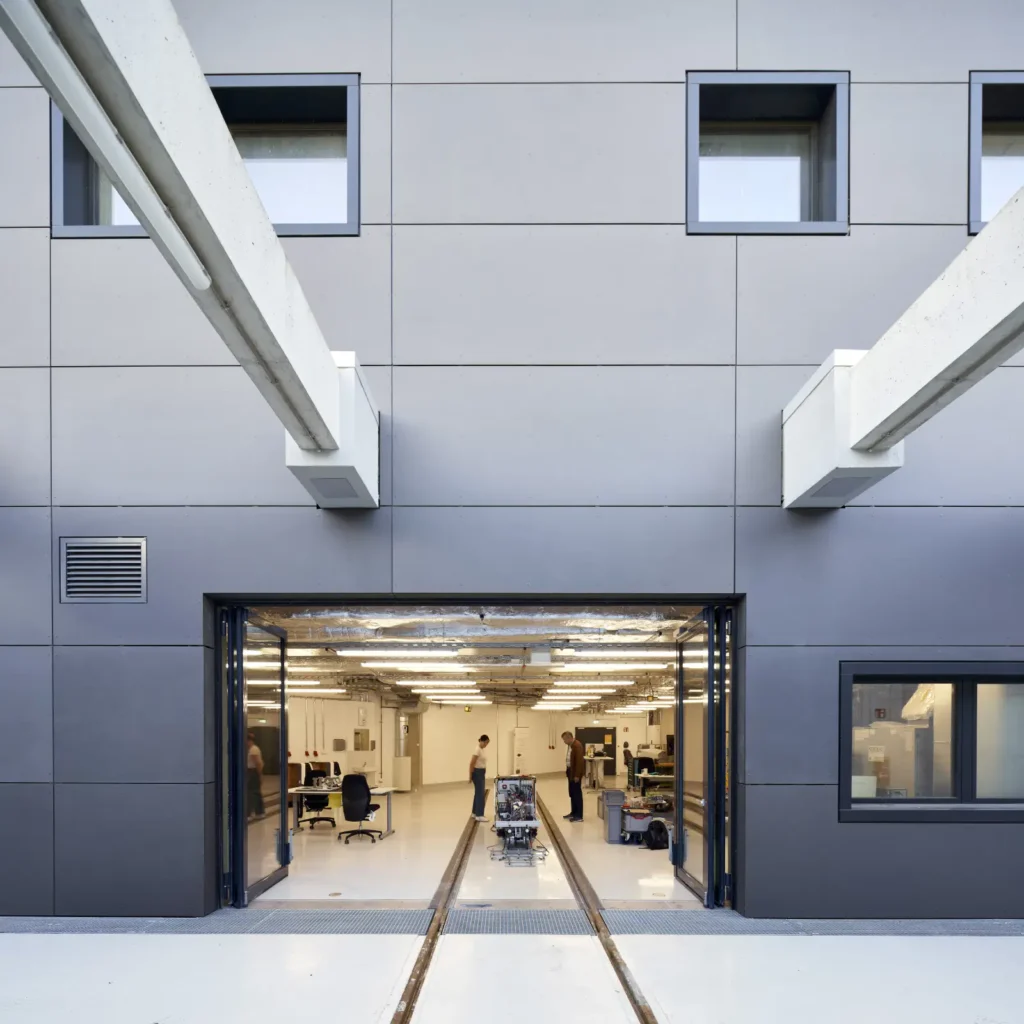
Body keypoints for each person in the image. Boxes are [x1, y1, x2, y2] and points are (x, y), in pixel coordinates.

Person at [561, 731, 584, 822]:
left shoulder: (576, 746)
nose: (564, 742)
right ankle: (573, 812)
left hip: (575, 774)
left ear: (569, 737)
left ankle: (579, 816)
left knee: (577, 794)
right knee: (572, 793)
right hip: (570, 772)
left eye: (564, 740)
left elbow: (579, 762)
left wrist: (577, 775)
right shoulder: (571, 745)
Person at [469, 734, 490, 821]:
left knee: (478, 793)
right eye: (486, 742)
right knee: (480, 794)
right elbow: (471, 763)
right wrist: (470, 776)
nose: (486, 745)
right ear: (482, 741)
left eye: (487, 743)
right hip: (477, 773)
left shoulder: (481, 749)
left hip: (481, 773)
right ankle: (479, 815)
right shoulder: (477, 750)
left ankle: (474, 813)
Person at [246, 732, 265, 821]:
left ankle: (251, 813)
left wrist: (260, 774)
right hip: (251, 772)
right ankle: (259, 812)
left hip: (252, 772)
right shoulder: (251, 749)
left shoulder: (253, 750)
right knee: (255, 793)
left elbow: (258, 763)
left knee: (251, 793)